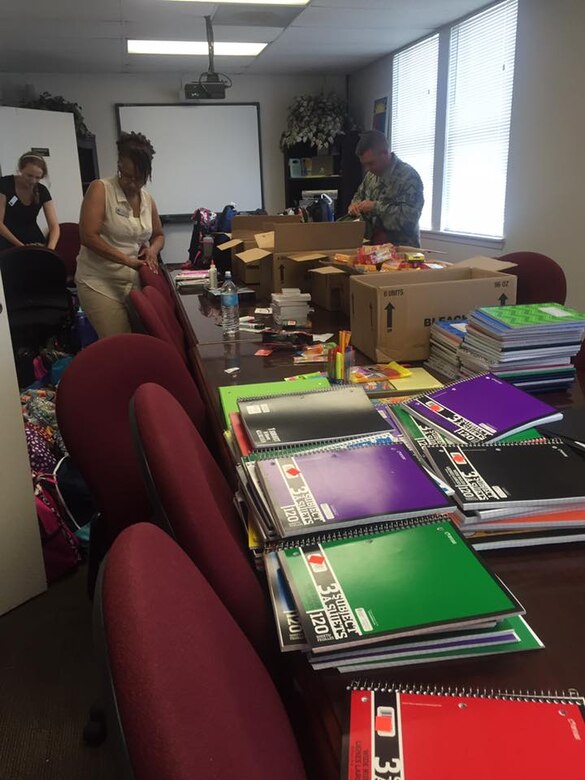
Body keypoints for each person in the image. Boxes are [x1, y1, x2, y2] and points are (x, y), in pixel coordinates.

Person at [75, 131, 164, 338]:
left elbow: (159, 234)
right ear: (119, 165)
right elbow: (88, 236)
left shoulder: (147, 199)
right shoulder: (101, 189)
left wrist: (152, 250)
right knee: (120, 342)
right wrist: (127, 260)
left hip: (132, 282)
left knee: (143, 340)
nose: (132, 183)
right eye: (126, 176)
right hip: (99, 281)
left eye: (139, 178)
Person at [348, 130, 424, 247]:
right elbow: (359, 196)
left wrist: (375, 207)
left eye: (371, 163)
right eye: (365, 164)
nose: (368, 169)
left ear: (385, 153)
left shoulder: (408, 177)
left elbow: (409, 219)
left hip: (401, 251)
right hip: (373, 250)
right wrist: (354, 206)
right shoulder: (371, 176)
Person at [0, 152, 60, 251]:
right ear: (20, 169)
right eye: (29, 176)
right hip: (8, 242)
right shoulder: (5, 184)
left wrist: (50, 249)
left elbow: (54, 226)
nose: (33, 181)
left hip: (34, 241)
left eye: (37, 178)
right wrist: (21, 246)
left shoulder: (42, 190)